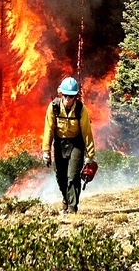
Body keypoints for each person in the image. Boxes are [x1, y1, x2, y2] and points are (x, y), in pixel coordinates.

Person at [42, 76, 96, 213]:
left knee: (73, 176)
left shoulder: (81, 109)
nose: (68, 99)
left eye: (71, 96)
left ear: (75, 96)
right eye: (65, 96)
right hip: (60, 143)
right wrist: (46, 151)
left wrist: (90, 155)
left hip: (76, 144)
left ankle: (72, 208)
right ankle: (65, 198)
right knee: (60, 176)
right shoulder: (54, 107)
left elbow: (87, 132)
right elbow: (48, 129)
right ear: (61, 94)